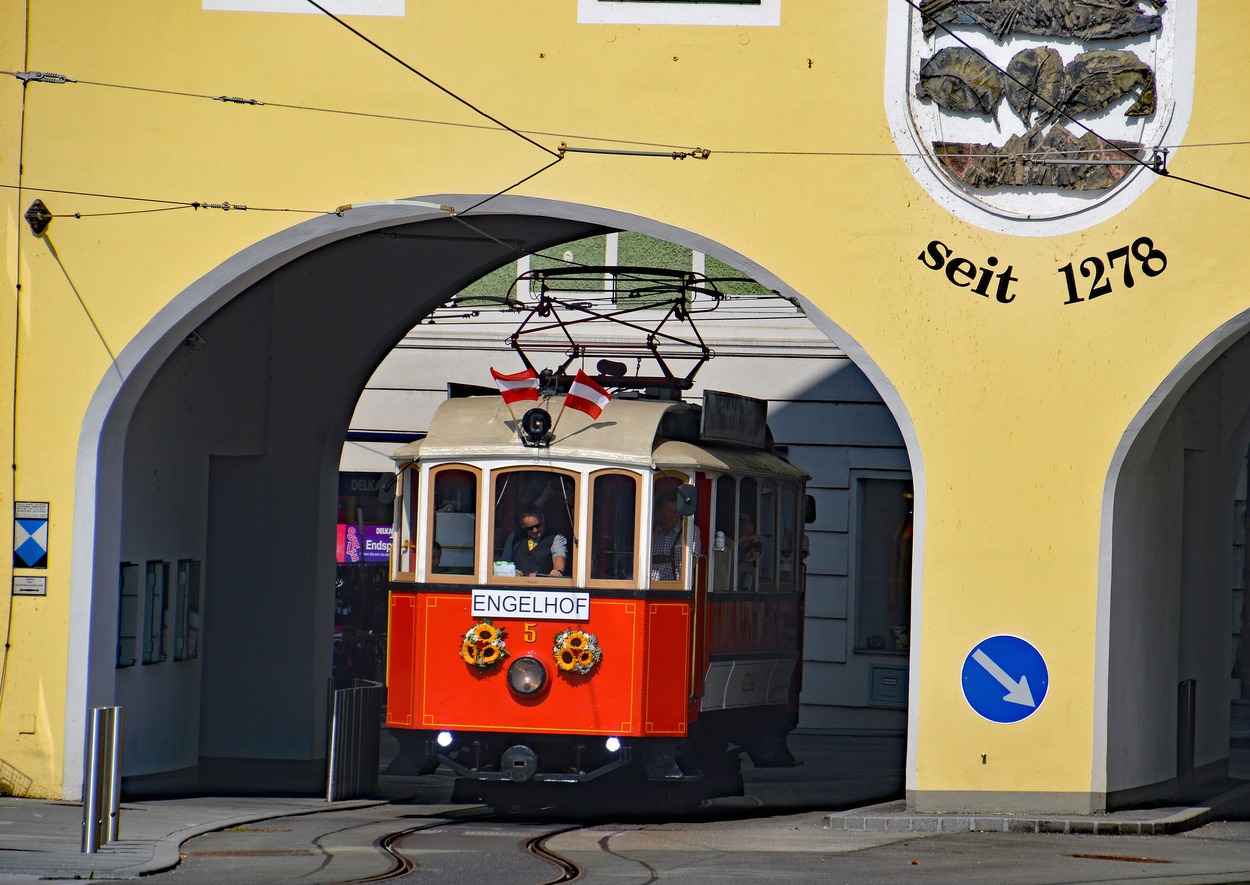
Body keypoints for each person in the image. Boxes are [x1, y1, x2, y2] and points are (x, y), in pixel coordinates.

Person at [650, 492, 701, 581]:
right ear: (659, 513)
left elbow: (690, 563)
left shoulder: (689, 531)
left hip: (675, 591)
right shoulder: (651, 533)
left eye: (677, 510)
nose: (675, 515)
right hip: (650, 588)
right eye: (669, 511)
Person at [511, 509, 568, 577]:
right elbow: (505, 560)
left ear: (542, 518)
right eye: (529, 528)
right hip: (517, 584)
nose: (535, 530)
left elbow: (559, 556)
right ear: (522, 525)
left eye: (537, 525)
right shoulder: (515, 537)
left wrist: (557, 571)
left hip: (543, 584)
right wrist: (511, 571)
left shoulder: (556, 537)